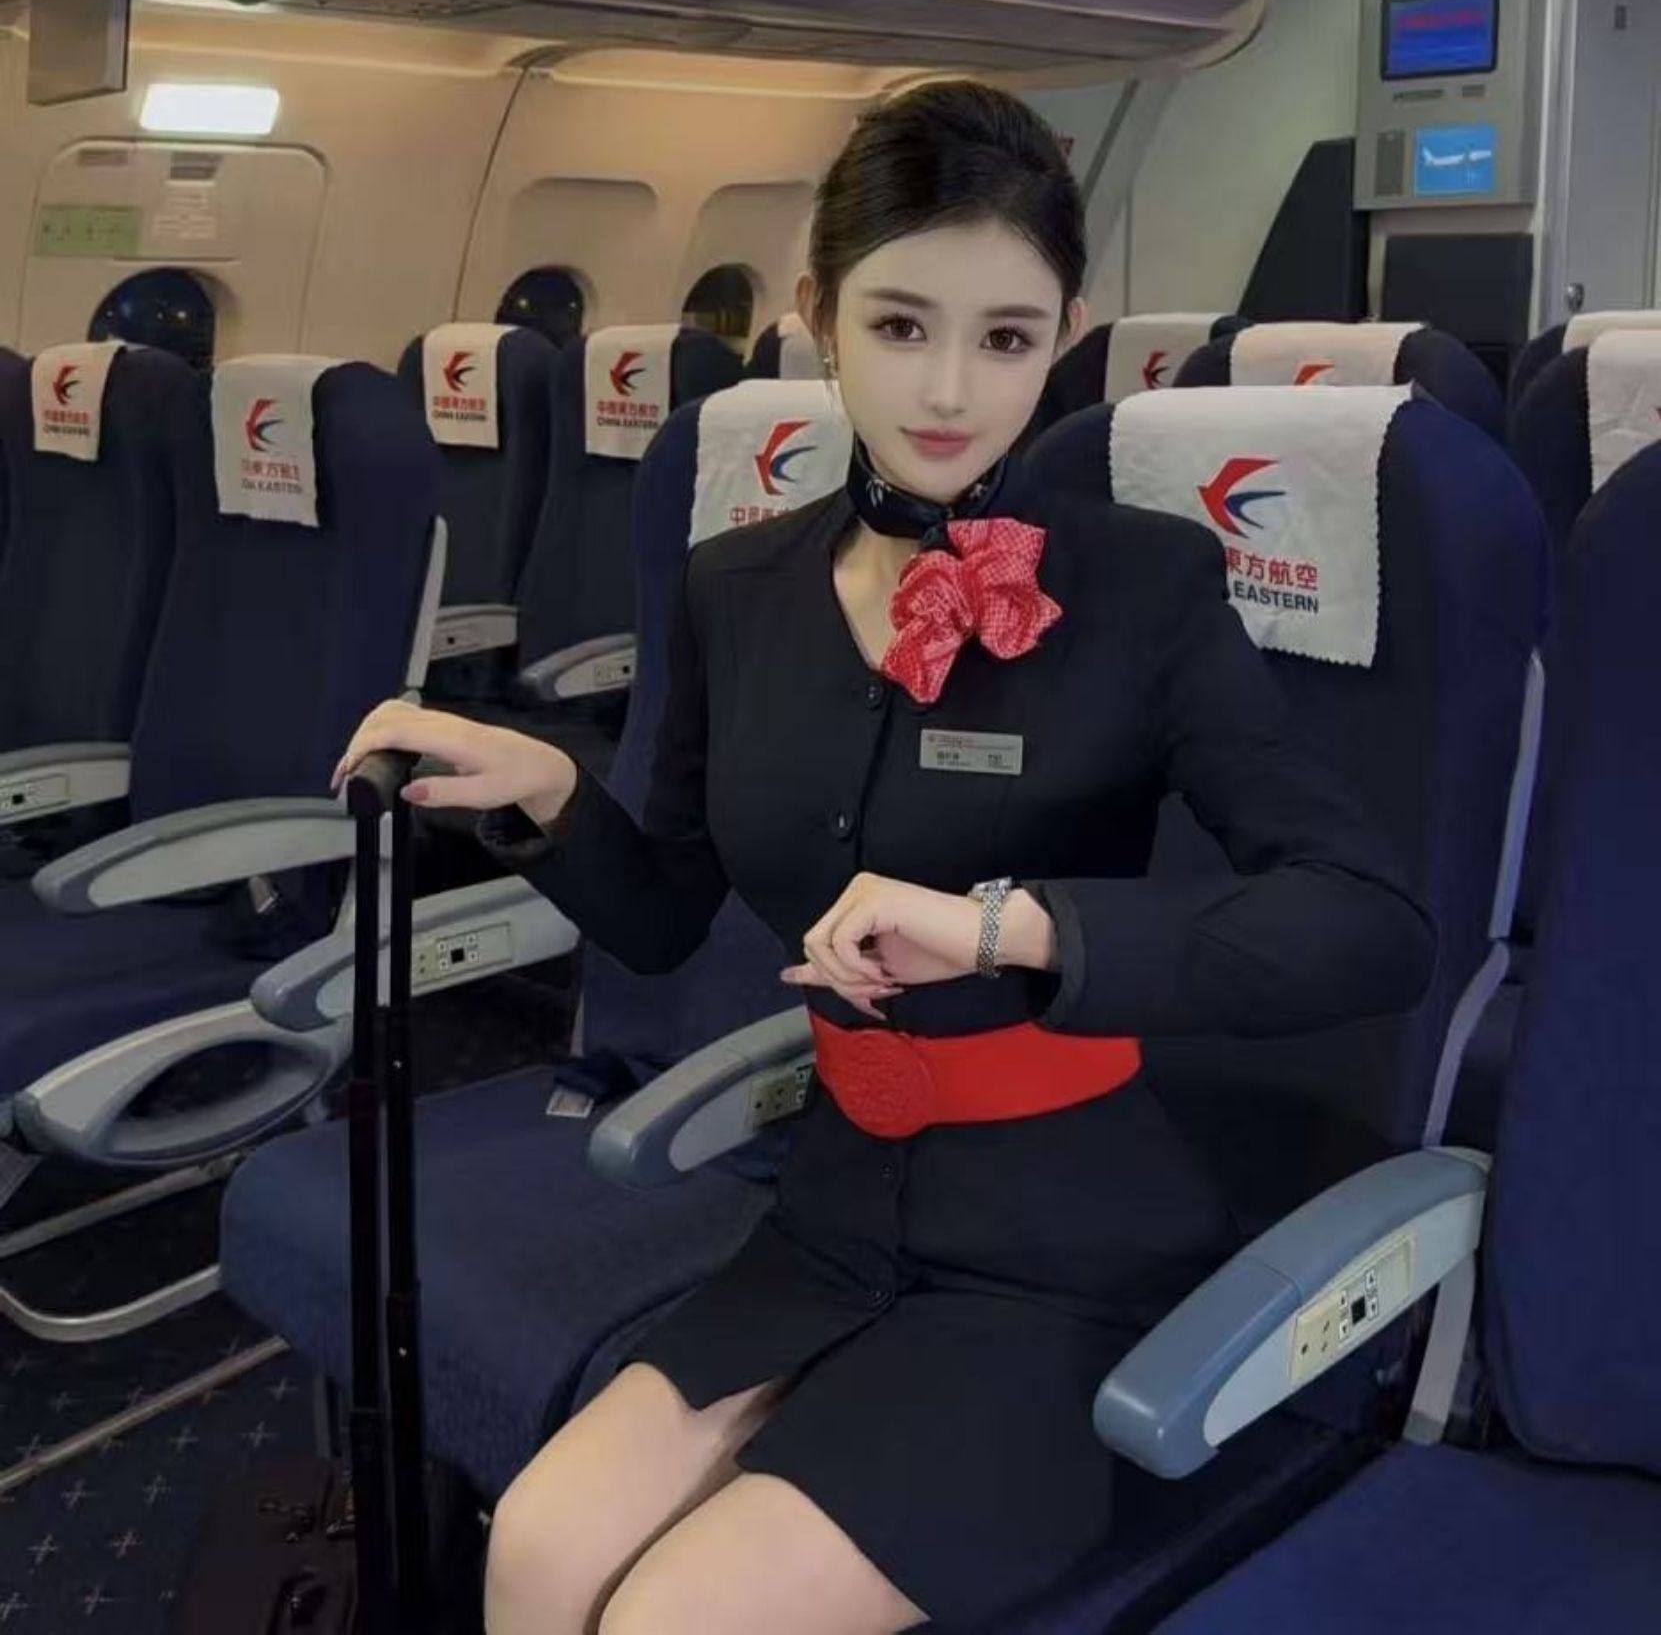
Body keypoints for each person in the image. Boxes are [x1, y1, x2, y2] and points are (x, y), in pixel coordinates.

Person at [335, 81, 1434, 1635]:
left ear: (1062, 338)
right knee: (536, 1552)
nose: (948, 390)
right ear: (817, 316)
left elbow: (1368, 924)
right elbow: (663, 916)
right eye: (900, 325)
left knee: (675, 1620)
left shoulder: (1145, 587)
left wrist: (1014, 930)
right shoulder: (735, 586)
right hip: (835, 1206)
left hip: (1065, 1241)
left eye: (1005, 337)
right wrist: (550, 794)